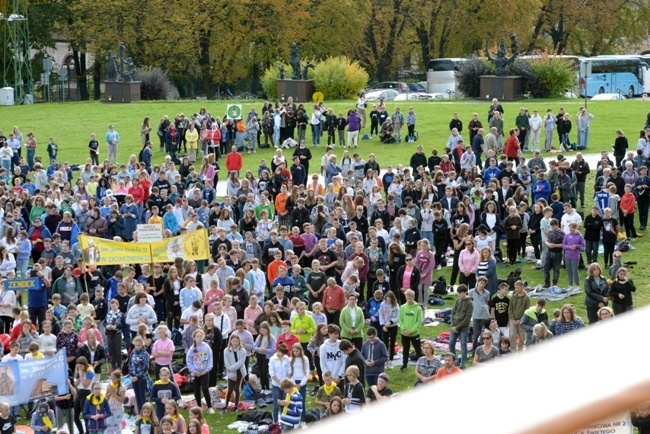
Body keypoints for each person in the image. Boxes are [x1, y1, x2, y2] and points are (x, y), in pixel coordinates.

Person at [187, 329, 215, 414]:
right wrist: (193, 371)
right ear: (194, 338)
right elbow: (189, 361)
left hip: (205, 372)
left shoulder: (206, 347)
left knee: (205, 388)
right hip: (195, 373)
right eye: (197, 336)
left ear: (203, 336)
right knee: (196, 389)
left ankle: (209, 406)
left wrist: (207, 370)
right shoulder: (192, 349)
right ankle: (199, 406)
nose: (199, 338)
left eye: (200, 336)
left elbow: (210, 359)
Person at [448, 285, 472, 369]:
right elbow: (453, 312)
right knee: (451, 343)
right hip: (454, 326)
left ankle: (463, 364)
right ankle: (453, 361)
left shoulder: (469, 303)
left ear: (465, 292)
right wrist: (453, 325)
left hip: (463, 327)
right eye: (458, 293)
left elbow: (467, 318)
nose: (459, 295)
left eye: (460, 293)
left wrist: (457, 327)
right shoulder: (457, 300)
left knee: (463, 345)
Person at [398, 289, 422, 372]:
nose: (408, 300)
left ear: (414, 297)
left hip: (414, 334)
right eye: (407, 298)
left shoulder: (418, 308)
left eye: (410, 298)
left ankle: (422, 365)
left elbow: (419, 321)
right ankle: (404, 365)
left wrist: (412, 331)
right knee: (405, 350)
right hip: (404, 334)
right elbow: (400, 320)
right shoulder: (403, 307)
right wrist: (404, 330)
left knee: (418, 350)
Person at [222, 334, 245, 414]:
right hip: (230, 372)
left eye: (236, 341)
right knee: (230, 389)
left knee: (237, 388)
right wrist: (231, 374)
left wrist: (231, 369)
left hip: (239, 371)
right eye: (233, 341)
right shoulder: (226, 350)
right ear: (230, 341)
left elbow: (240, 363)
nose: (235, 343)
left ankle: (236, 406)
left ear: (239, 342)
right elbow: (227, 362)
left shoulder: (242, 351)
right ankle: (226, 406)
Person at [508, 280, 530, 352]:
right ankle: (513, 350)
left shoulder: (527, 298)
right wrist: (513, 319)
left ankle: (520, 349)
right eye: (515, 288)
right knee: (512, 336)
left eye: (517, 288)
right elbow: (510, 308)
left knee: (522, 337)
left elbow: (527, 310)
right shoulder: (513, 297)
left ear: (522, 287)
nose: (516, 289)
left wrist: (521, 320)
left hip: (522, 321)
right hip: (513, 320)